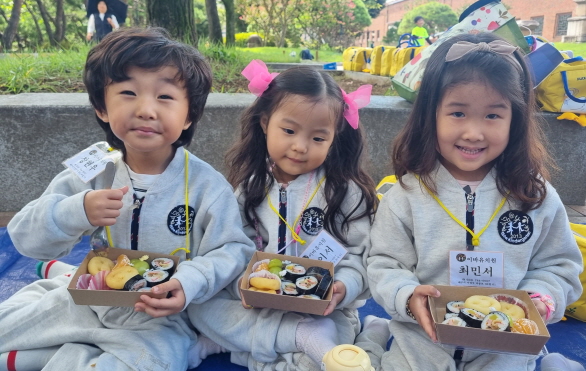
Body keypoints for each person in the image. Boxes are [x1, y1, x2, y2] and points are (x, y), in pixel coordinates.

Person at [0, 28, 256, 371]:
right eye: (128, 92)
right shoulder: (93, 169)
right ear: (101, 107)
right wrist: (76, 211)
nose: (146, 109)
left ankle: (63, 357)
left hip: (157, 316)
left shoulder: (207, 185)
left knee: (155, 360)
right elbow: (23, 236)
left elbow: (233, 250)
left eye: (165, 97)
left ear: (189, 115)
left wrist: (188, 281)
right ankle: (51, 315)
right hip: (87, 301)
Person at [364, 32, 583, 371]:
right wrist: (407, 297)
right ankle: (374, 341)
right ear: (430, 115)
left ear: (516, 119)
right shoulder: (407, 195)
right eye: (458, 113)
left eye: (493, 116)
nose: (474, 133)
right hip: (423, 339)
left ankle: (546, 362)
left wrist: (541, 299)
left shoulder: (535, 196)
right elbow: (384, 264)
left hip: (506, 344)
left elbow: (560, 266)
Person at [187, 60, 380, 371]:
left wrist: (344, 287)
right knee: (199, 306)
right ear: (265, 122)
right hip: (261, 302)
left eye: (318, 138)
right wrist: (244, 284)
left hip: (323, 309)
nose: (300, 147)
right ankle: (295, 340)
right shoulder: (249, 187)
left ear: (335, 137)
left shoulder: (345, 192)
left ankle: (236, 345)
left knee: (320, 359)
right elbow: (234, 248)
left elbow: (361, 256)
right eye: (289, 131)